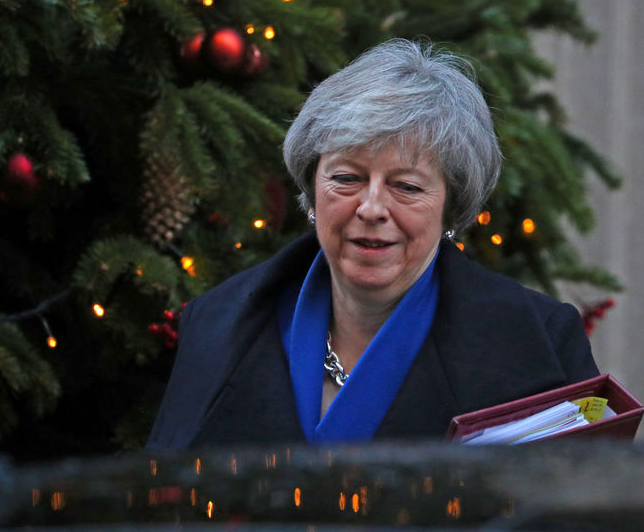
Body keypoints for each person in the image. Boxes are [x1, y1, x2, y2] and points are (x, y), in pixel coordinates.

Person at [146, 39, 598, 450]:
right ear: (311, 188)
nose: (371, 208)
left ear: (450, 207)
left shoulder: (538, 340)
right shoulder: (218, 323)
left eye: (406, 186)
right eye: (347, 178)